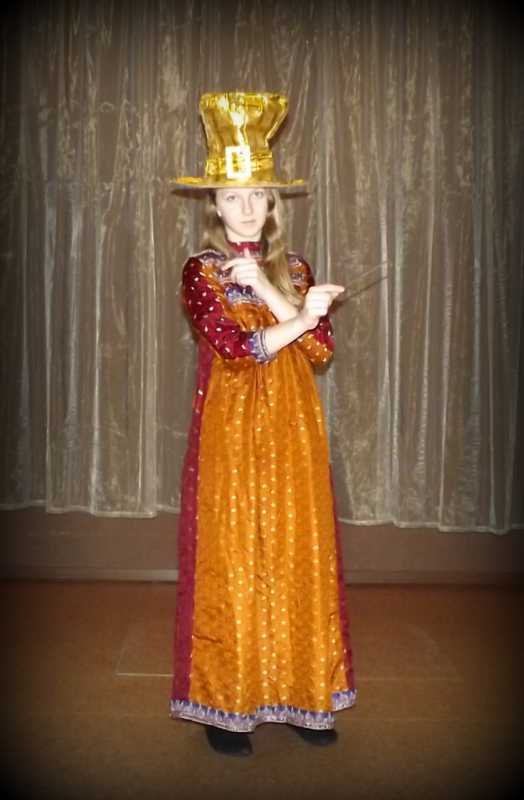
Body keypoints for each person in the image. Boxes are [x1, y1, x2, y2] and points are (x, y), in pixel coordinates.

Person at [170, 92, 356, 757]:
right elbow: (237, 348)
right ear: (215, 205)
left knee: (299, 555)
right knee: (235, 558)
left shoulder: (296, 269)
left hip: (293, 434)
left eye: (258, 196)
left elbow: (320, 350)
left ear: (273, 204)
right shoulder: (201, 272)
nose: (246, 208)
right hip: (231, 433)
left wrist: (283, 297)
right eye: (233, 196)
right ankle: (227, 710)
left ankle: (304, 696)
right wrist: (300, 317)